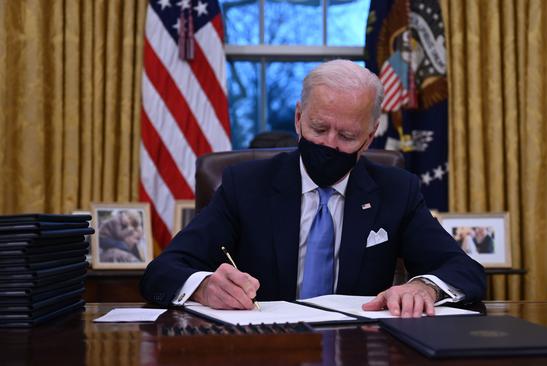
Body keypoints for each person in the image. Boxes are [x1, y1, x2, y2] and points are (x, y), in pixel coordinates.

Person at [140, 60, 485, 318]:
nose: (330, 144)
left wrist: (422, 287)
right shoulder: (244, 185)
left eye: (347, 136)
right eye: (319, 128)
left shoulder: (398, 190)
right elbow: (164, 270)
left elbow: (463, 270)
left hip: (359, 347)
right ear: (298, 118)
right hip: (264, 347)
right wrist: (203, 287)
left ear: (369, 136)